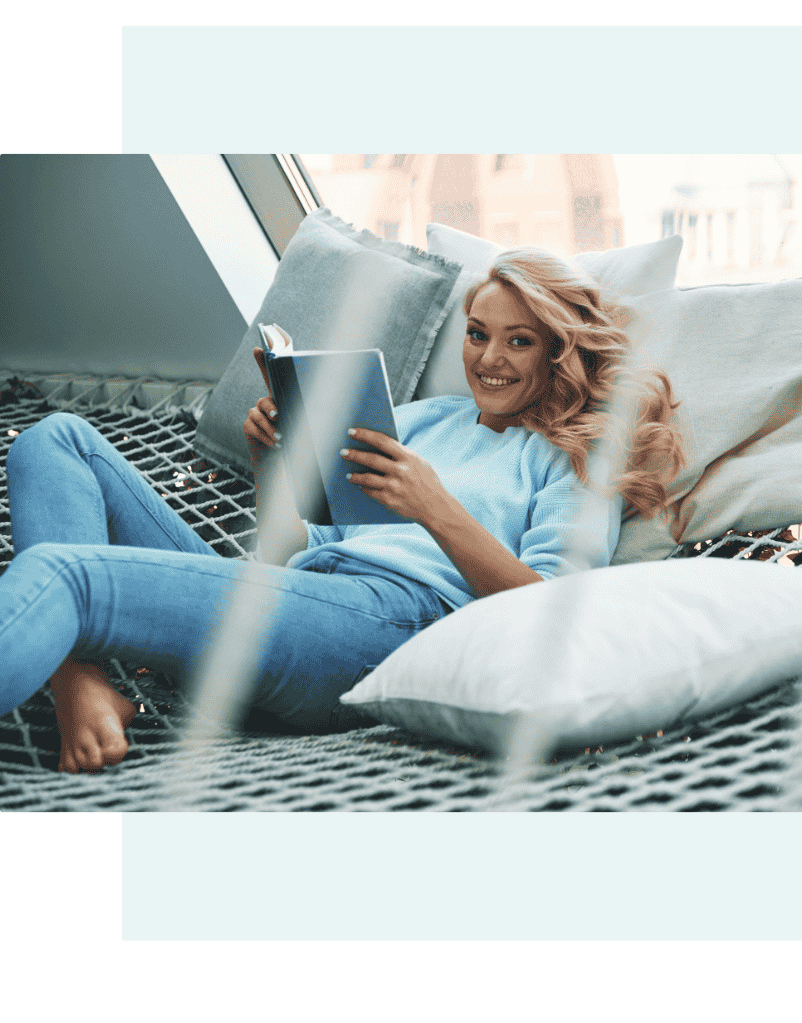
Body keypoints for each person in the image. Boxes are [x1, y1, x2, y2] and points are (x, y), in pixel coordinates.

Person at [0, 248, 686, 773]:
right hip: (301, 604)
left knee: (70, 576)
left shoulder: (574, 456)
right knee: (57, 440)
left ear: (560, 350)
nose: (490, 359)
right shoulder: (418, 421)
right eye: (478, 334)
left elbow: (554, 616)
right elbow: (280, 555)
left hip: (390, 627)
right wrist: (272, 458)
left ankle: (70, 670)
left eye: (520, 340)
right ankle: (82, 684)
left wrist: (436, 510)